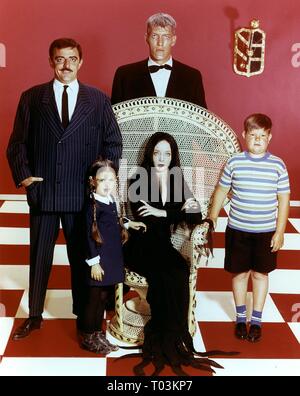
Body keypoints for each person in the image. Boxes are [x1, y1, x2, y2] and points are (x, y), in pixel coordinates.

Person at [6, 38, 122, 340]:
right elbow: (16, 144)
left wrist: (104, 179)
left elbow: (113, 142)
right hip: (44, 192)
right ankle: (34, 315)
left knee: (83, 256)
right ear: (51, 61)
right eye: (60, 59)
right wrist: (25, 177)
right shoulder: (32, 97)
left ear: (80, 62)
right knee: (39, 256)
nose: (66, 64)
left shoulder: (97, 100)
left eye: (72, 58)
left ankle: (84, 319)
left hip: (81, 193)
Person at [121, 132, 227, 375]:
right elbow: (143, 217)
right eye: (157, 152)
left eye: (167, 153)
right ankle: (161, 339)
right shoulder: (138, 177)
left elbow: (195, 216)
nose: (161, 158)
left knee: (179, 270)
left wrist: (163, 214)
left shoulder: (176, 178)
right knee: (164, 273)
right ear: (150, 153)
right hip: (140, 245)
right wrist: (175, 211)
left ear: (173, 156)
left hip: (163, 244)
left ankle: (175, 335)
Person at [209, 114, 290, 342]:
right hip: (238, 230)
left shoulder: (277, 165)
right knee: (240, 274)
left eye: (262, 136)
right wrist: (212, 217)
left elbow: (284, 198)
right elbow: (221, 191)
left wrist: (280, 231)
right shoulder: (234, 162)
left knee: (260, 274)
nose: (257, 140)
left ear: (270, 138)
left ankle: (256, 319)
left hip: (265, 232)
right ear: (244, 135)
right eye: (252, 135)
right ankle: (240, 317)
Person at [80, 159, 146, 354]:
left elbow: (113, 221)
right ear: (93, 181)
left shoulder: (109, 200)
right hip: (99, 260)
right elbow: (88, 237)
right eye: (102, 180)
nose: (108, 184)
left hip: (111, 257)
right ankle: (88, 334)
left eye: (112, 179)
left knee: (103, 296)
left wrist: (128, 224)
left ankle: (97, 332)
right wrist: (94, 263)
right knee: (94, 298)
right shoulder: (92, 207)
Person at [111, 12, 207, 107]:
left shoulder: (192, 77)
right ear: (146, 38)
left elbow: (200, 119)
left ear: (173, 40)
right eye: (154, 36)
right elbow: (114, 119)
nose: (160, 43)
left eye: (166, 37)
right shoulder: (124, 75)